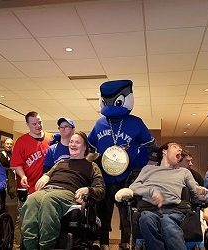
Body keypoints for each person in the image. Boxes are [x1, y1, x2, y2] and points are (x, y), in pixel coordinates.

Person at [88, 80, 156, 250]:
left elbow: (149, 146)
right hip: (105, 177)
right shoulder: (99, 123)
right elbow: (89, 148)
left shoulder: (136, 122)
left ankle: (125, 243)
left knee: (127, 213)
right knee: (104, 211)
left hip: (128, 177)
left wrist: (135, 163)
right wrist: (97, 162)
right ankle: (103, 243)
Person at [115, 142, 208, 250]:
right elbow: (133, 187)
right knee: (145, 218)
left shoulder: (184, 172)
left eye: (180, 149)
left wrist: (202, 193)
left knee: (167, 223)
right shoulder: (148, 169)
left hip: (174, 210)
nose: (179, 150)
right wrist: (151, 191)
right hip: (149, 209)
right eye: (175, 147)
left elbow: (196, 191)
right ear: (164, 151)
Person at [21, 131, 105, 250]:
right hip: (48, 189)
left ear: (85, 147)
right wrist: (46, 176)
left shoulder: (92, 166)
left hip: (67, 192)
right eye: (71, 142)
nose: (73, 144)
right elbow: (48, 174)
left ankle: (47, 246)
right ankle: (30, 246)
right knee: (31, 200)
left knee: (49, 200)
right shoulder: (61, 163)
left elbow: (101, 190)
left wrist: (88, 189)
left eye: (77, 142)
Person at [10, 111, 53, 194]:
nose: (38, 126)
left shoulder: (51, 138)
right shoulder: (21, 141)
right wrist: (22, 176)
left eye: (40, 122)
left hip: (47, 186)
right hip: (29, 187)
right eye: (34, 124)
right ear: (27, 124)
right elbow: (17, 164)